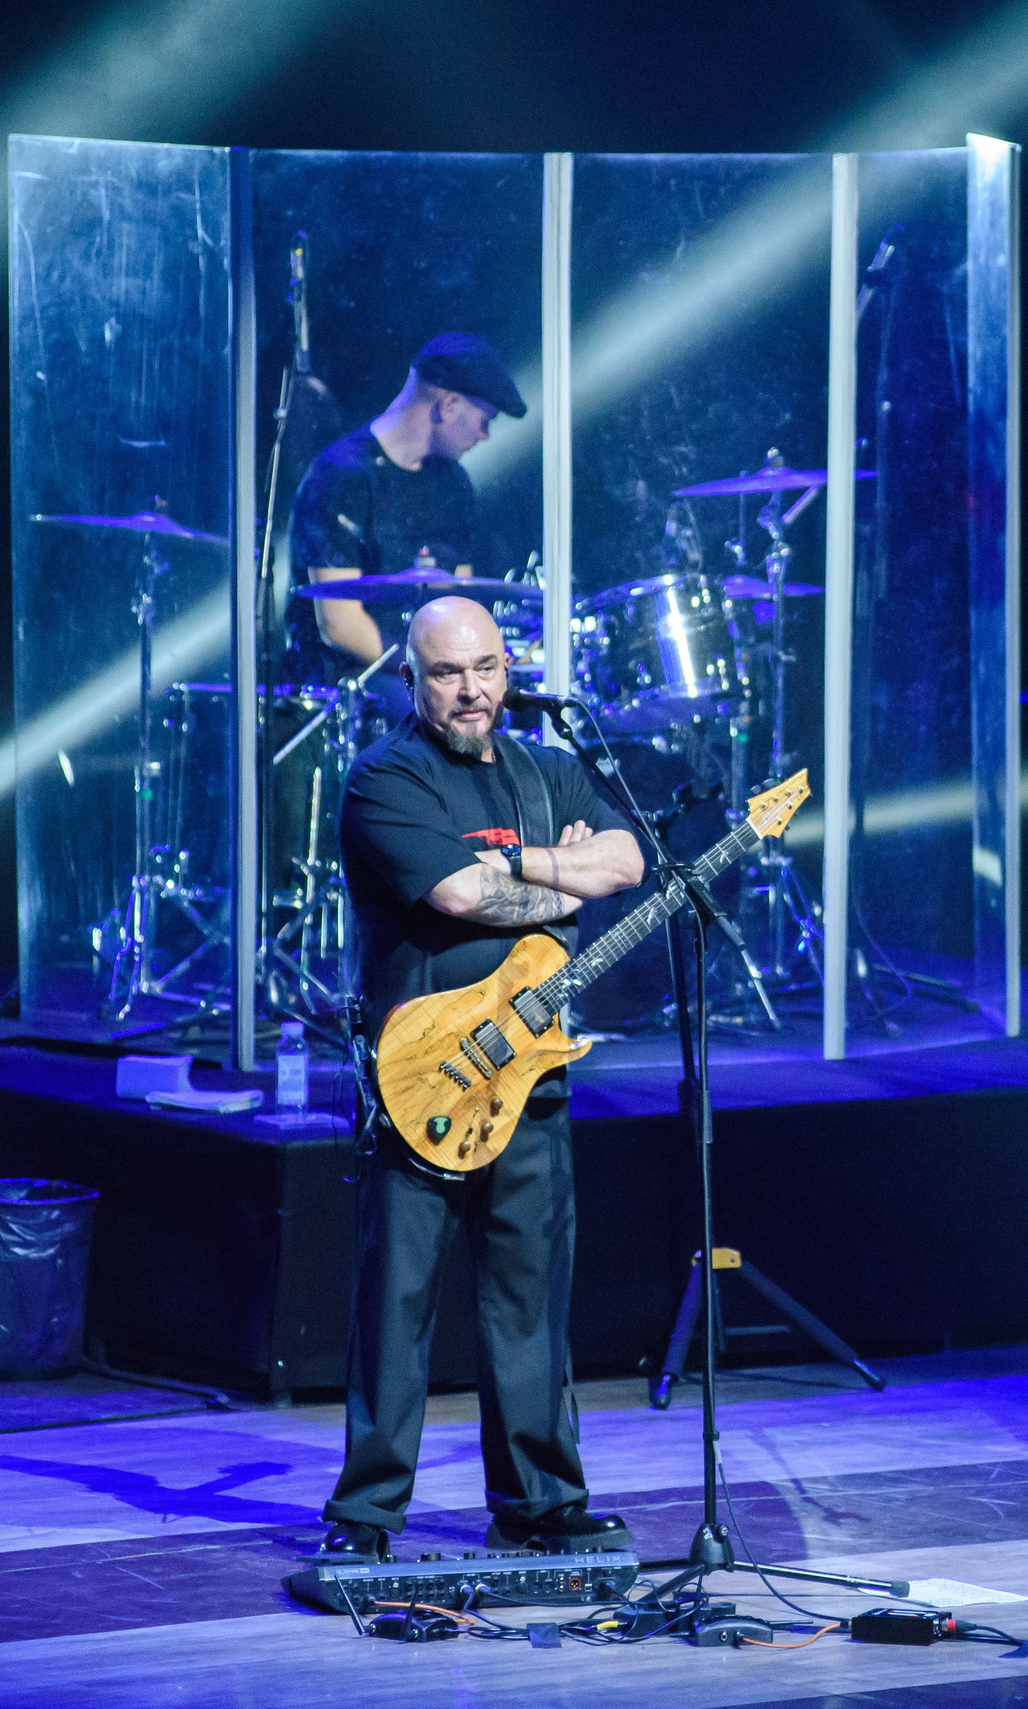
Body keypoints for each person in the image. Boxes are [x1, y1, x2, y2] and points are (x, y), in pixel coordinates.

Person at [315, 596, 646, 1562]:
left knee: (531, 1299)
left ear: (509, 668)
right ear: (413, 679)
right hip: (425, 1075)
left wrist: (535, 865)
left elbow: (625, 859)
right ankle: (366, 1518)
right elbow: (460, 891)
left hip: (532, 1072)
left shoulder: (547, 770)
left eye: (488, 668)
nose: (473, 691)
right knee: (398, 1304)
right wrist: (559, 872)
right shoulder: (386, 779)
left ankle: (542, 1505)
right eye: (450, 673)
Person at [287, 332, 525, 682]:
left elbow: (460, 596)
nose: (485, 435)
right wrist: (431, 672)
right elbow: (339, 625)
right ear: (449, 406)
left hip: (423, 675)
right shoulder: (340, 476)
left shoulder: (453, 483)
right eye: (484, 420)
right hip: (348, 680)